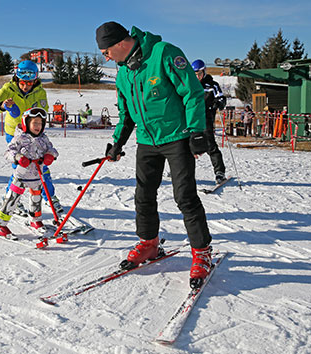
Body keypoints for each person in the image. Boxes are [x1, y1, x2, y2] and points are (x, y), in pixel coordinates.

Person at [96, 21, 213, 289]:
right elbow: (126, 114)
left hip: (177, 136)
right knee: (143, 194)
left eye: (105, 51)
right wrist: (117, 143)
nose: (105, 56)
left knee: (185, 196)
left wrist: (196, 132)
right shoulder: (124, 74)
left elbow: (192, 93)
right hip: (147, 141)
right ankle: (148, 243)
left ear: (119, 43)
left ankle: (202, 252)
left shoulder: (164, 53)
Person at [0, 60, 63, 213]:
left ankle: (49, 197)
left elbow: (43, 110)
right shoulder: (8, 88)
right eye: (23, 83)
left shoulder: (40, 91)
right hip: (15, 133)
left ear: (35, 80)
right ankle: (10, 199)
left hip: (34, 133)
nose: (26, 86)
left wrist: (33, 116)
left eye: (29, 83)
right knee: (20, 168)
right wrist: (3, 105)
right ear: (17, 78)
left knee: (41, 167)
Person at [0, 107, 59, 237]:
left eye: (40, 123)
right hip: (21, 176)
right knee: (12, 199)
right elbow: (8, 152)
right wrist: (18, 157)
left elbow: (53, 150)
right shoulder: (20, 138)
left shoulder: (43, 139)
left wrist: (50, 155)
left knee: (36, 199)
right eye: (35, 123)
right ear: (27, 123)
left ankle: (35, 220)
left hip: (37, 176)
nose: (38, 126)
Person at [191, 59, 227, 184]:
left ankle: (219, 172)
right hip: (192, 119)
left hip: (206, 118)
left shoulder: (212, 85)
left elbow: (221, 97)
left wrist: (219, 103)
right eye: (195, 74)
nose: (197, 76)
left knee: (210, 145)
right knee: (188, 145)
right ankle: (184, 171)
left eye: (199, 73)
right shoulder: (190, 84)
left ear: (204, 72)